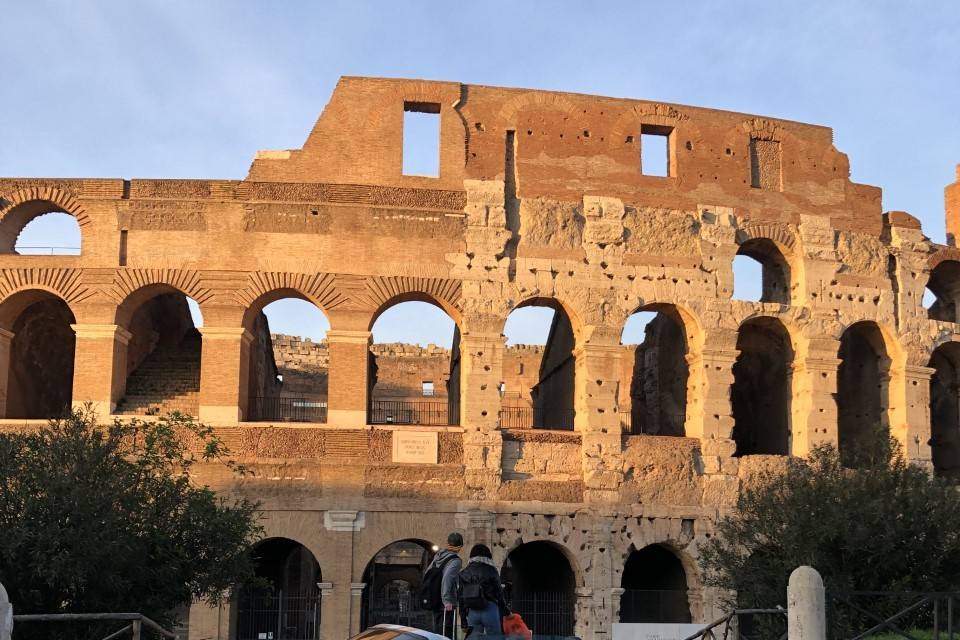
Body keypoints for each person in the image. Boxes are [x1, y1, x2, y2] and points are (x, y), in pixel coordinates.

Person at [457, 544, 510, 638]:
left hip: (473, 611)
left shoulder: (464, 572)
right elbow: (499, 593)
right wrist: (506, 610)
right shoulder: (492, 570)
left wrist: (463, 619)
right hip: (490, 609)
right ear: (488, 555)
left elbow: (461, 598)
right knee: (495, 637)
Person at [425, 532, 463, 637]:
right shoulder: (455, 561)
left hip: (434, 598)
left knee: (437, 631)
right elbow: (447, 579)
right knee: (447, 633)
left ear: (448, 543)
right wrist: (447, 601)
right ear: (460, 546)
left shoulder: (438, 556)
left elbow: (427, 573)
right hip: (446, 603)